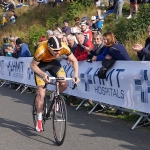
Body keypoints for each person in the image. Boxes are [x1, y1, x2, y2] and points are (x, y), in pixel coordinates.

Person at [30, 36, 80, 132]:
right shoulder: (41, 50)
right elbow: (32, 65)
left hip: (54, 63)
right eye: (55, 50)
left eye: (59, 50)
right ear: (49, 48)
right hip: (40, 65)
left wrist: (76, 75)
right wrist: (43, 74)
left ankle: (54, 95)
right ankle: (39, 120)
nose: (58, 52)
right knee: (41, 93)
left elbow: (74, 60)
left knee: (64, 84)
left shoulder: (64, 47)